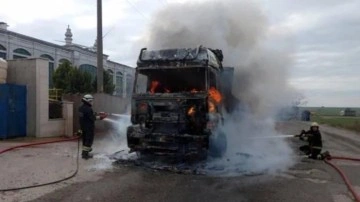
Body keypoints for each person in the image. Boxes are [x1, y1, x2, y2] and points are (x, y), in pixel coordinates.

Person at [78, 94, 107, 159]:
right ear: (87, 101)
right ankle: (85, 155)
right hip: (89, 127)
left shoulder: (81, 107)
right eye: (91, 101)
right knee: (89, 141)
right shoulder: (88, 109)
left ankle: (84, 152)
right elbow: (92, 118)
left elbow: (87, 115)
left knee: (85, 140)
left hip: (83, 127)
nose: (91, 102)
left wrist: (98, 113)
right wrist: (101, 117)